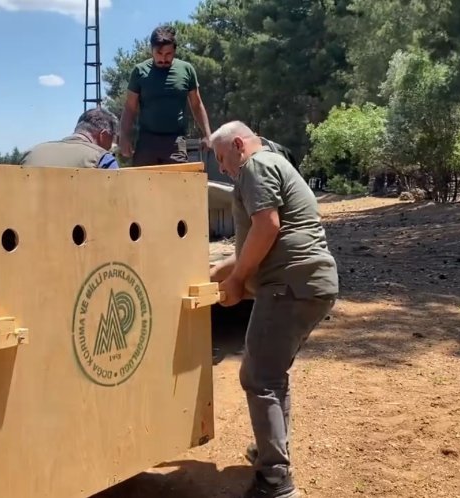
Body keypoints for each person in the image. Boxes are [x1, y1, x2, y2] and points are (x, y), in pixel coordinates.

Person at [208, 121, 339, 498]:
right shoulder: (274, 165)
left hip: (288, 286)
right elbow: (268, 239)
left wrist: (237, 281)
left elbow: (267, 228)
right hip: (309, 283)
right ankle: (271, 451)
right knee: (272, 373)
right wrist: (220, 271)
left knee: (258, 376)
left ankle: (275, 479)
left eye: (222, 158)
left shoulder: (256, 166)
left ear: (238, 145)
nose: (223, 168)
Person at [119, 25, 212, 166]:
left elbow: (196, 104)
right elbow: (130, 108)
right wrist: (124, 136)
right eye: (159, 54)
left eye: (168, 54)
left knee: (178, 184)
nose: (163, 59)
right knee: (142, 185)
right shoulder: (139, 71)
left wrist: (207, 134)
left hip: (176, 141)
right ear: (151, 50)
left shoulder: (186, 70)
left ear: (174, 50)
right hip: (146, 141)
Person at [20, 107, 119, 169]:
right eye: (112, 137)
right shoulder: (103, 159)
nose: (110, 146)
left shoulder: (31, 154)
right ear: (103, 135)